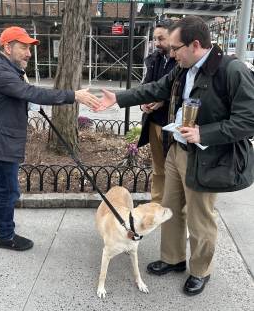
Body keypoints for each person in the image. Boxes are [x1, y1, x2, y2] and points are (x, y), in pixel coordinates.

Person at [96, 16, 254, 296]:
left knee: (199, 219)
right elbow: (156, 89)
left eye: (175, 48)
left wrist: (205, 133)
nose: (171, 54)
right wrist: (118, 99)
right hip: (177, 150)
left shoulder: (232, 71)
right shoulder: (184, 68)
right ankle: (173, 258)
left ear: (195, 45)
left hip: (207, 159)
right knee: (168, 207)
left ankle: (200, 270)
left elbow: (248, 120)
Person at [0, 26, 100, 251]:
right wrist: (74, 95)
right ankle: (6, 236)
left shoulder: (7, 68)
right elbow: (33, 93)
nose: (29, 53)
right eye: (23, 47)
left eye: (29, 48)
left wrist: (23, 83)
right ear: (7, 47)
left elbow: (25, 92)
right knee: (9, 189)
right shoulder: (2, 73)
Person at [138, 19, 176, 203]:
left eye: (161, 38)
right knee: (158, 168)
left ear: (173, 36)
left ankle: (172, 207)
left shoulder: (182, 60)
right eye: (155, 39)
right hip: (153, 122)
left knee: (174, 170)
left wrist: (163, 102)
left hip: (173, 126)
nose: (157, 43)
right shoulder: (155, 59)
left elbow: (186, 94)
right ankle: (156, 204)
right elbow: (145, 86)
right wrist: (143, 103)